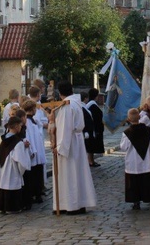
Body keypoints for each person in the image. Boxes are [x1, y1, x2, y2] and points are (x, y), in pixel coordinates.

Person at [52, 81, 97, 215]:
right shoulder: (76, 103)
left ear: (60, 93)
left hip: (69, 143)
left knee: (69, 175)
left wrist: (59, 147)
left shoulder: (67, 106)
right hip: (76, 142)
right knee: (78, 174)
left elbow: (66, 128)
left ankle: (71, 205)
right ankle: (79, 203)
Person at [121, 108, 150, 210]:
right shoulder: (148, 130)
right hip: (146, 161)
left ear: (128, 119)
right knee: (147, 181)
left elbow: (123, 147)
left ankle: (136, 202)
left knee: (134, 183)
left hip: (132, 162)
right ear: (139, 117)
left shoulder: (126, 133)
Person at [0, 116, 31, 214]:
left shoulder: (3, 140)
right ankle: (12, 208)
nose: (20, 128)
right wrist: (21, 171)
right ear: (15, 126)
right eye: (19, 125)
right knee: (12, 183)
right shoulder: (18, 143)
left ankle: (1, 207)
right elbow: (20, 160)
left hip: (2, 168)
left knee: (3, 184)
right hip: (12, 169)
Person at [22, 100, 45, 205]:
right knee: (33, 175)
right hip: (33, 152)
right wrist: (32, 151)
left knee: (37, 173)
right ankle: (34, 194)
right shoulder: (27, 122)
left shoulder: (33, 120)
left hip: (38, 151)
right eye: (35, 108)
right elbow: (28, 137)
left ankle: (38, 193)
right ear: (32, 109)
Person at [84, 88, 104, 167]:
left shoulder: (91, 104)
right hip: (93, 129)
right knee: (91, 145)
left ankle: (91, 160)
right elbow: (94, 118)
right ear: (96, 96)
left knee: (92, 145)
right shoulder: (92, 105)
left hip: (94, 128)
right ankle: (90, 161)